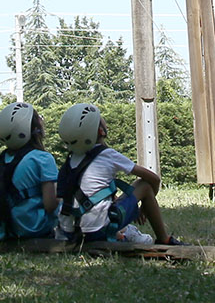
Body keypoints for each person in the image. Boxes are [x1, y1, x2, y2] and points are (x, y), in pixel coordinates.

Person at [51, 102, 180, 245]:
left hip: (69, 232)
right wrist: (145, 206)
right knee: (143, 185)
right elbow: (154, 179)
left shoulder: (70, 160)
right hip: (97, 232)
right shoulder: (108, 155)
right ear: (100, 131)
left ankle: (124, 234)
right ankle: (164, 239)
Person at [0, 102, 61, 241]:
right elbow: (50, 205)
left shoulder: (2, 160)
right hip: (33, 228)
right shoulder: (43, 158)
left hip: (3, 230)